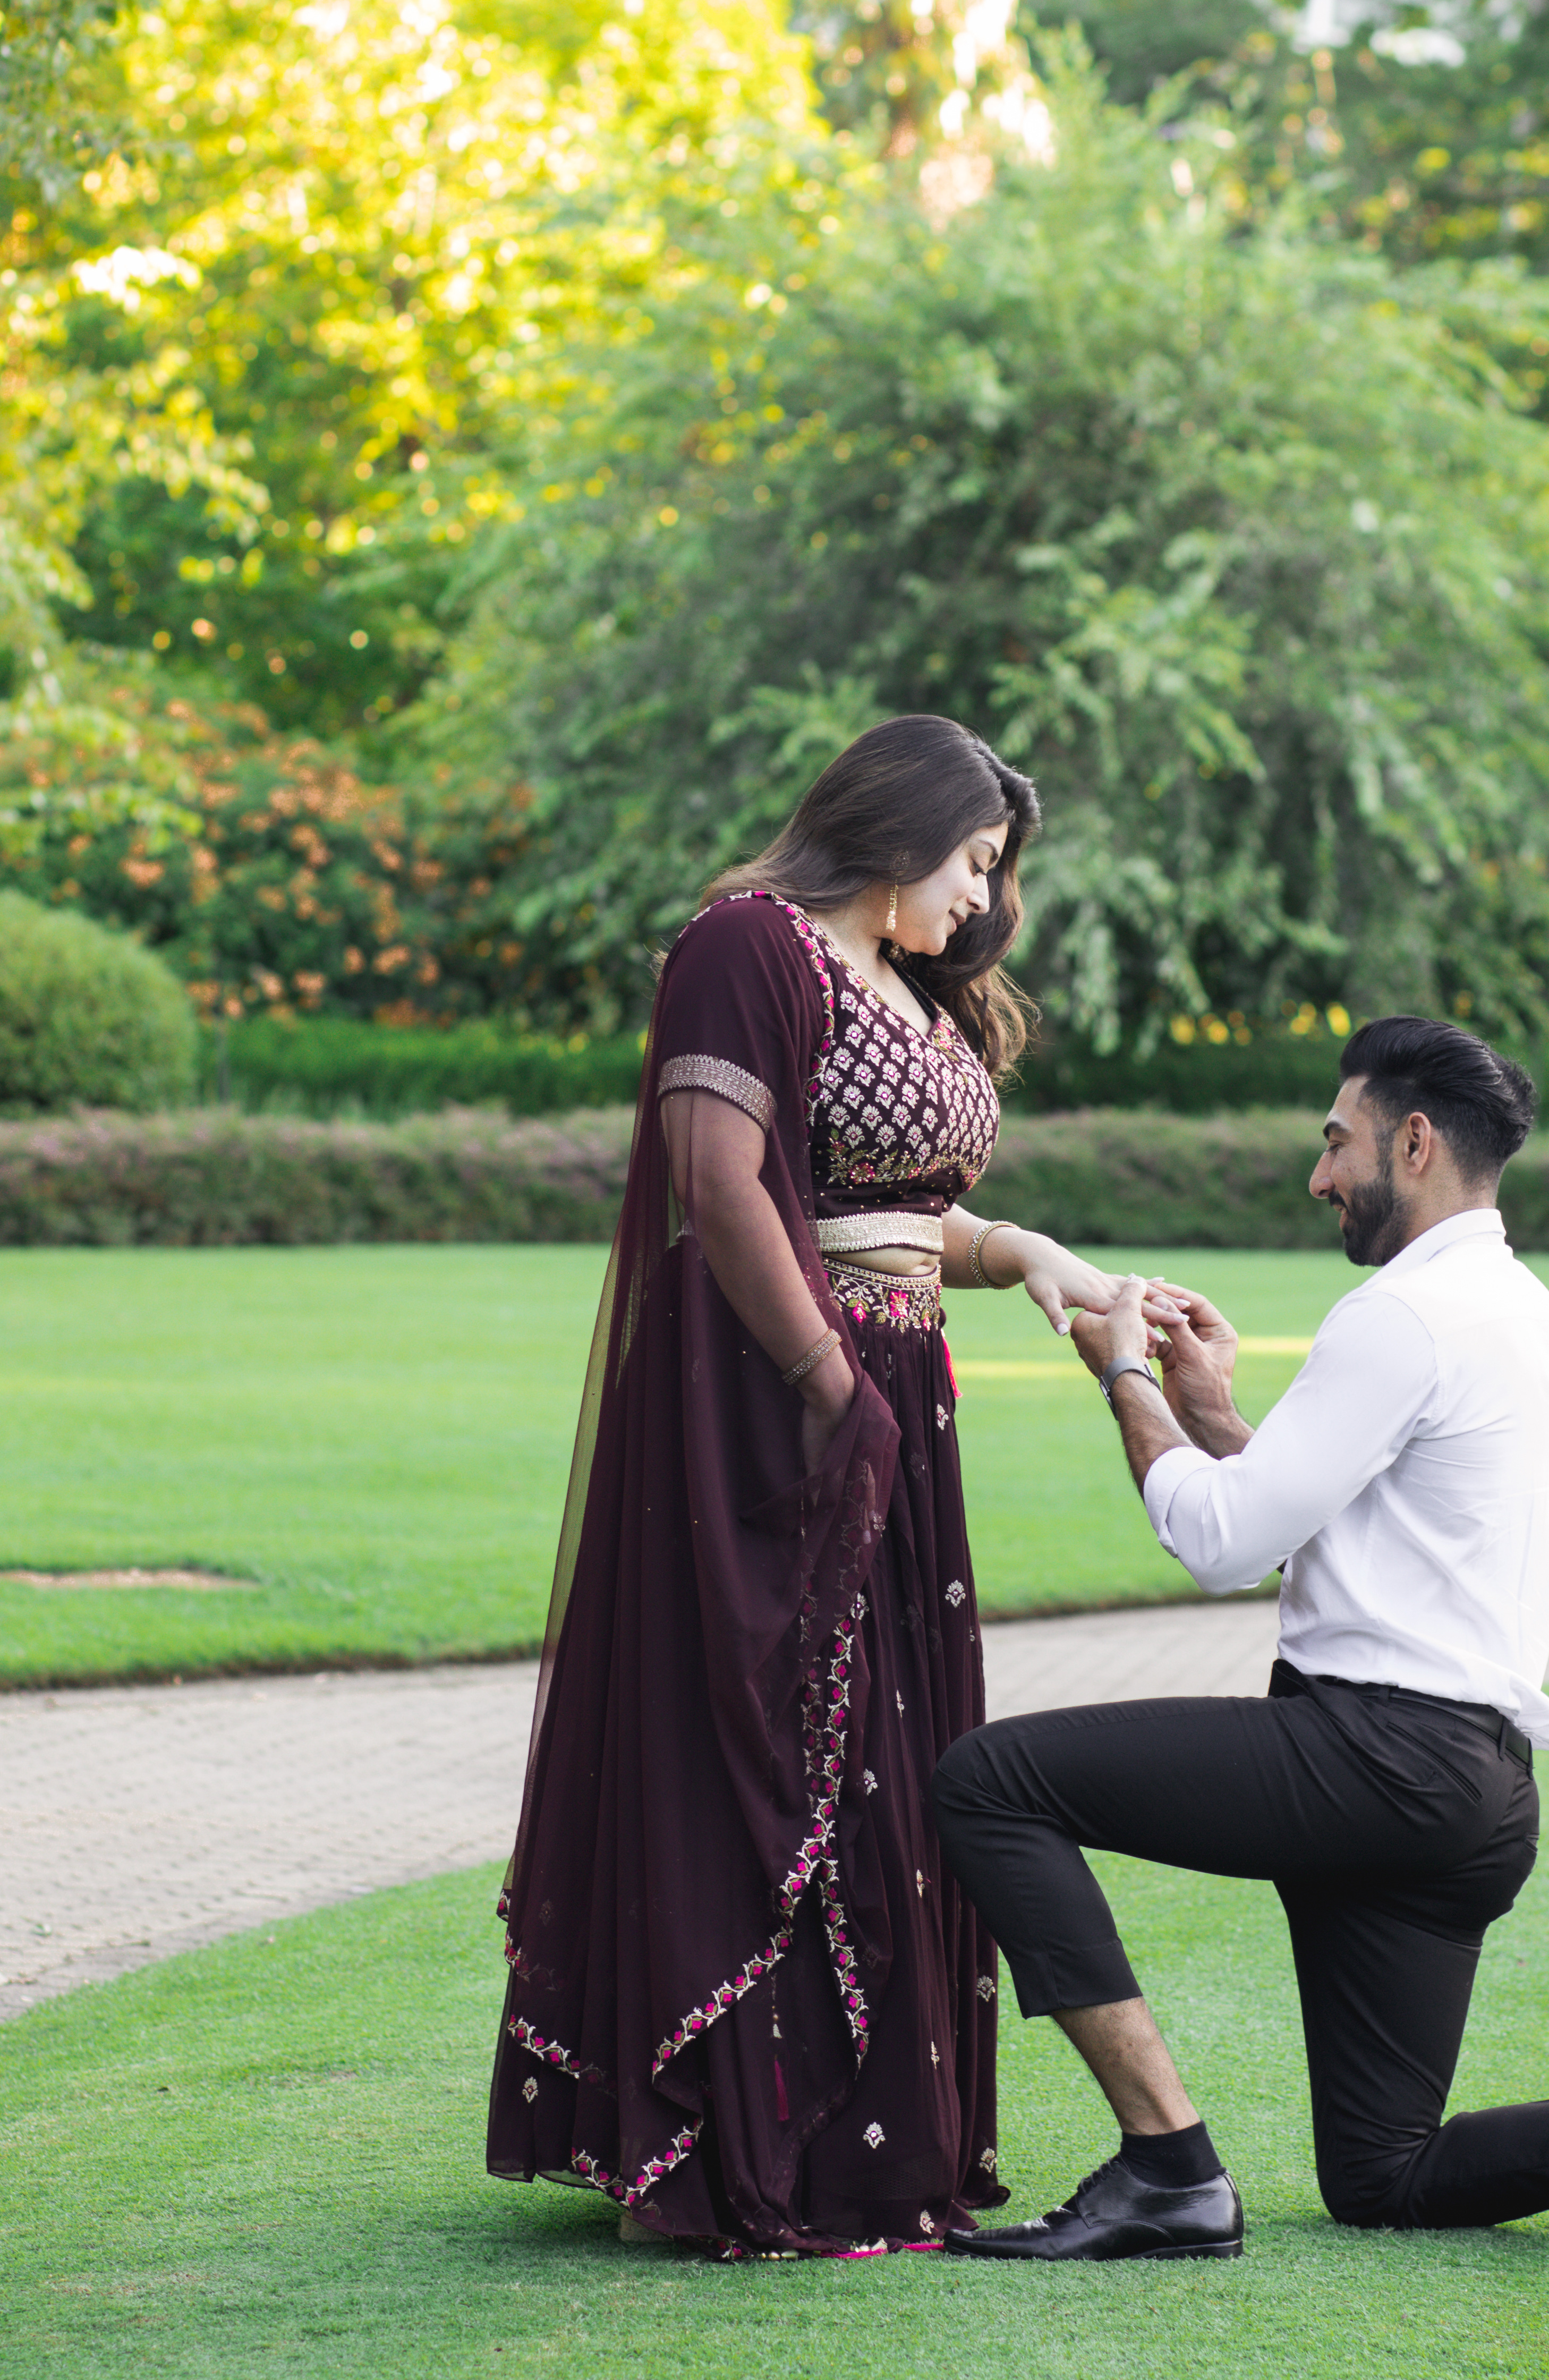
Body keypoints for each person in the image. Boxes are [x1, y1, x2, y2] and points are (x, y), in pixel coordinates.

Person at [930, 1014, 1549, 2265]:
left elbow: (1223, 1544)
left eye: (1337, 1141)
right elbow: (1352, 1544)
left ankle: (1168, 2165)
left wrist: (1123, 1373)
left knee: (986, 1784)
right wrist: (1214, 1412)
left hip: (1374, 1760)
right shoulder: (1527, 1319)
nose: (1319, 1175)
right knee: (1381, 2173)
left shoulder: (1399, 1317)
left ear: (1414, 1140)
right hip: (1475, 1796)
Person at [489, 716, 1131, 2259]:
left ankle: (860, 2153)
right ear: (902, 824)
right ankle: (729, 2152)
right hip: (776, 1400)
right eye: (976, 861)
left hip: (888, 1385)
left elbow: (904, 1219)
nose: (984, 902)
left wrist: (1035, 1256)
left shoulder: (906, 987)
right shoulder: (749, 941)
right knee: (775, 1747)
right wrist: (832, 1390)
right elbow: (721, 1184)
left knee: (897, 1760)